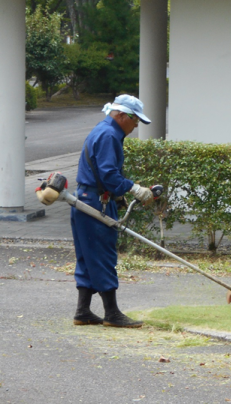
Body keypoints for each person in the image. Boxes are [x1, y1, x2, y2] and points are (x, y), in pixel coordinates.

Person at [71, 94, 154, 328]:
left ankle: (83, 311)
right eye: (135, 120)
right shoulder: (109, 135)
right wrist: (135, 189)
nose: (136, 125)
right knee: (104, 256)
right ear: (121, 115)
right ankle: (112, 313)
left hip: (84, 200)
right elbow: (109, 175)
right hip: (96, 203)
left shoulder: (103, 129)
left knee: (87, 257)